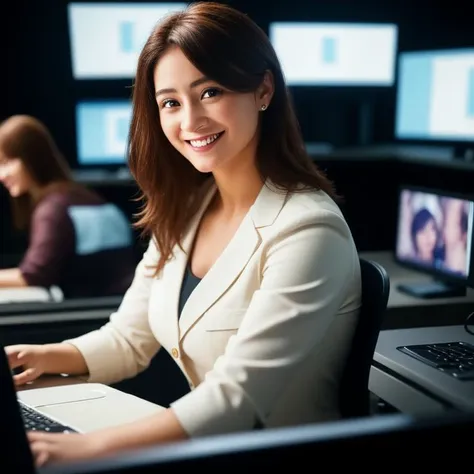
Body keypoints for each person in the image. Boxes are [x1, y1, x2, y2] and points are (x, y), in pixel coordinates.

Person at [6, 2, 362, 467]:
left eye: (210, 92)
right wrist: (37, 355)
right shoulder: (190, 211)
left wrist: (87, 446)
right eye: (170, 102)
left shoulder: (308, 229)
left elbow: (237, 396)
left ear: (263, 89)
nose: (189, 121)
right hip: (212, 444)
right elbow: (128, 340)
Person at [0, 114, 136, 298]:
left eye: (6, 163)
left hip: (90, 315)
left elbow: (33, 275)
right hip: (116, 306)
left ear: (31, 157)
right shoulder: (84, 196)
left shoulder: (53, 210)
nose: (2, 175)